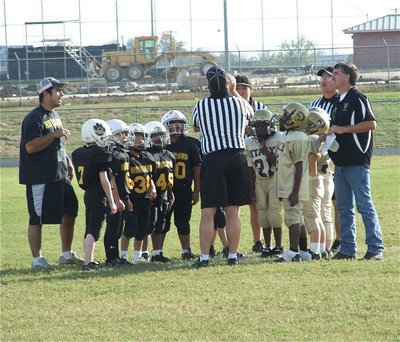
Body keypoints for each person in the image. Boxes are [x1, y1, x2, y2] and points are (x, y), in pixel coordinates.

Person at [192, 66, 253, 267]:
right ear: (228, 83)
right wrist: (235, 91)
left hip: (213, 157)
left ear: (208, 84)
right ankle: (233, 255)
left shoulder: (201, 106)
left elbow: (196, 126)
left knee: (208, 211)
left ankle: (204, 257)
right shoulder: (240, 103)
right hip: (237, 156)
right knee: (233, 211)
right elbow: (251, 116)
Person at [19, 77, 83, 269]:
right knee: (36, 218)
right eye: (58, 91)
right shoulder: (34, 118)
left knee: (70, 211)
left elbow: (58, 145)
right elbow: (30, 147)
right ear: (46, 93)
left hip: (60, 175)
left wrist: (68, 162)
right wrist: (53, 135)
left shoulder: (54, 115)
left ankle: (66, 253)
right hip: (40, 177)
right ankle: (37, 259)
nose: (61, 94)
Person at [328, 61, 383, 260]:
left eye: (335, 73)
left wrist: (344, 129)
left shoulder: (358, 98)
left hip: (357, 162)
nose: (332, 77)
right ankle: (348, 249)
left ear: (346, 77)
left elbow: (371, 123)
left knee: (364, 205)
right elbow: (337, 129)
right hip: (340, 163)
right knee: (343, 208)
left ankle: (375, 248)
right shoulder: (337, 101)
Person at [71, 119, 117, 271]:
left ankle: (87, 259)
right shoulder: (100, 153)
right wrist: (112, 201)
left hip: (88, 193)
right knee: (94, 229)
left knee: (89, 227)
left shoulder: (79, 153)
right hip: (98, 194)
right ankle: (88, 262)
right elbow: (104, 179)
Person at [161, 110, 202, 260]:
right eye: (172, 123)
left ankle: (186, 251)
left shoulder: (191, 144)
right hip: (164, 190)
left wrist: (196, 190)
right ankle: (157, 252)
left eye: (179, 123)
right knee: (162, 222)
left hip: (184, 189)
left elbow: (197, 168)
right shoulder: (161, 143)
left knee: (183, 222)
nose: (176, 126)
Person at [309, 66, 340, 253]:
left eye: (328, 77)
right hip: (318, 160)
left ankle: (338, 240)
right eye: (322, 77)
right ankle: (322, 244)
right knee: (318, 203)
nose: (324, 80)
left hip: (334, 159)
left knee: (334, 202)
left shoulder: (341, 103)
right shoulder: (314, 104)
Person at [245, 109, 284, 258]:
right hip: (259, 181)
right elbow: (250, 168)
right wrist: (251, 188)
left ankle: (279, 245)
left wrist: (265, 150)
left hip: (275, 179)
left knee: (274, 213)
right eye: (257, 126)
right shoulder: (249, 142)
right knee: (262, 214)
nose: (260, 129)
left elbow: (279, 163)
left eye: (263, 125)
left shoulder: (279, 138)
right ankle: (267, 246)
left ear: (271, 125)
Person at [275, 103, 310, 262]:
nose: (282, 118)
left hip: (293, 186)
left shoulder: (297, 137)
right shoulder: (289, 135)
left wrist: (295, 191)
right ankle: (304, 251)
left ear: (295, 119)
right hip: (288, 184)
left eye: (285, 115)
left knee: (292, 219)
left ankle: (293, 252)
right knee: (298, 219)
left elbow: (299, 165)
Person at [235, 74, 267, 253]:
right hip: (238, 158)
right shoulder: (230, 106)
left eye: (243, 88)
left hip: (257, 159)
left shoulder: (261, 108)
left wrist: (253, 131)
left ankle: (258, 240)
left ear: (251, 89)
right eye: (237, 88)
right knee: (235, 204)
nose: (240, 91)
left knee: (257, 203)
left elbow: (271, 132)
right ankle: (232, 245)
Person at [121, 123, 156, 263]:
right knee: (129, 228)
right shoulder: (126, 157)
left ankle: (137, 255)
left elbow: (149, 176)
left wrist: (152, 187)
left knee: (142, 228)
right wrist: (126, 198)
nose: (140, 141)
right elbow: (122, 179)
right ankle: (123, 255)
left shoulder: (147, 157)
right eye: (137, 137)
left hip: (145, 198)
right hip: (132, 198)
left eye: (142, 137)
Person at [145, 121, 176, 263]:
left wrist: (170, 193)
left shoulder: (169, 155)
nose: (160, 139)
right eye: (156, 136)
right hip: (150, 195)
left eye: (162, 135)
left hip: (164, 193)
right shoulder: (146, 154)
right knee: (148, 224)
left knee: (161, 224)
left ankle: (157, 253)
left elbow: (170, 176)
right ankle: (143, 252)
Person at [103, 119, 133, 267]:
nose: (126, 137)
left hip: (123, 195)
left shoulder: (122, 153)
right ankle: (111, 258)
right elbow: (112, 179)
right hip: (116, 197)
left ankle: (116, 257)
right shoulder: (113, 154)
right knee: (113, 228)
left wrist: (127, 198)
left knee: (119, 229)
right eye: (123, 134)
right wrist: (117, 200)